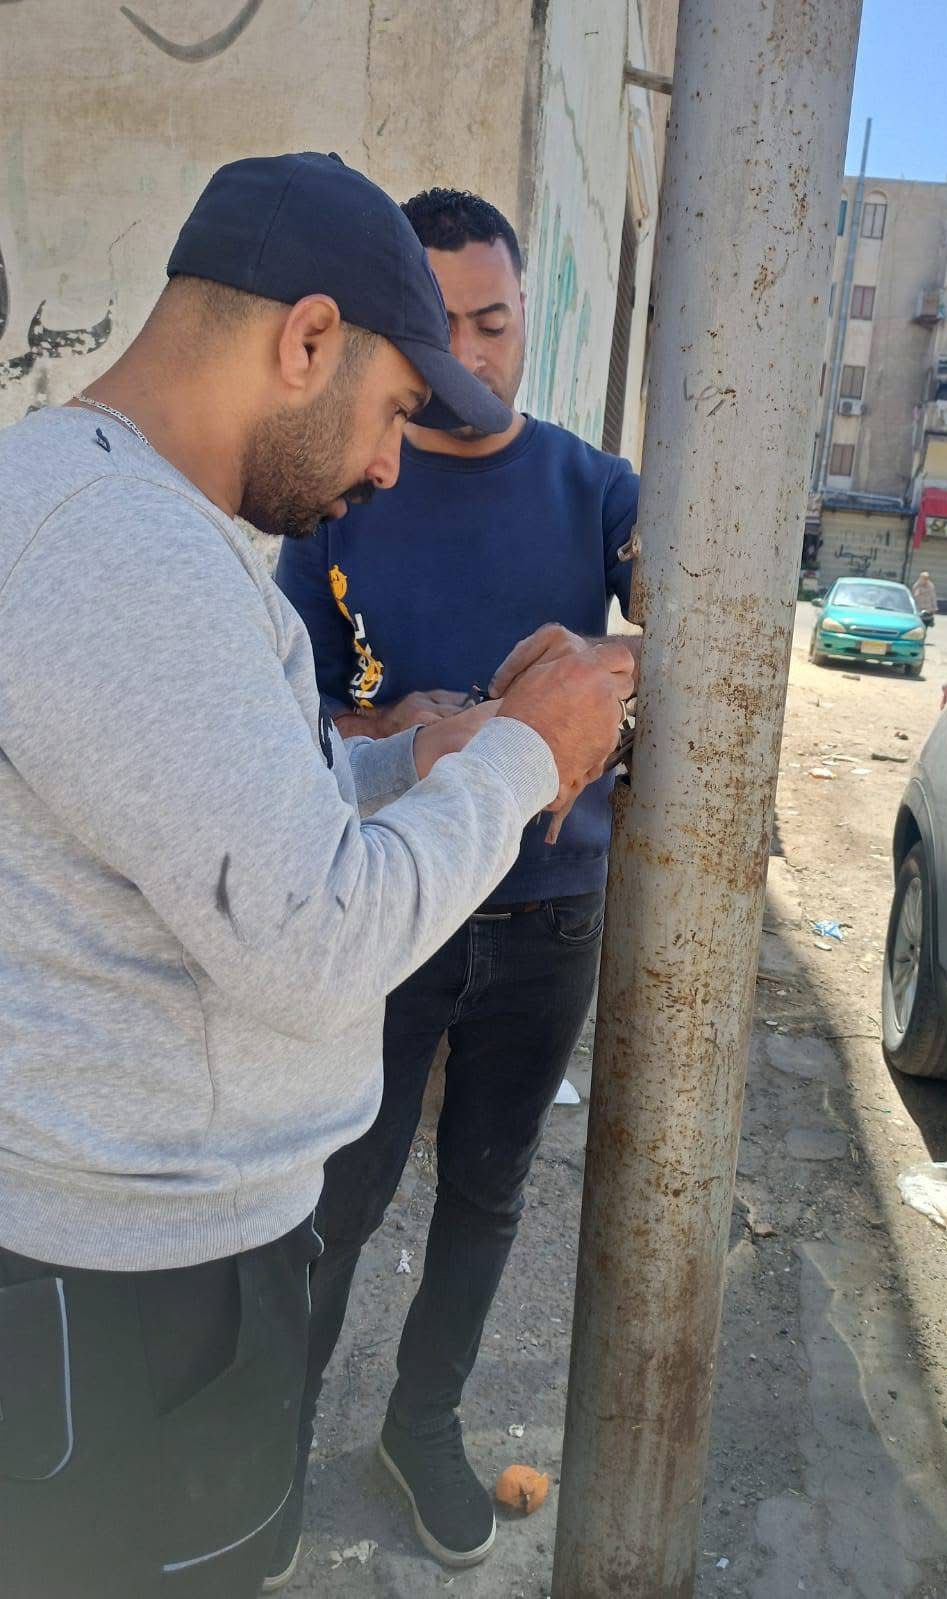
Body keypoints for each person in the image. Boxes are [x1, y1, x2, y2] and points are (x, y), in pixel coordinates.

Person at [0, 152, 632, 1599]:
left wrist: (409, 762)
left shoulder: (105, 507)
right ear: (305, 341)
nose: (393, 466)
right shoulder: (126, 557)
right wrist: (521, 757)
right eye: (397, 409)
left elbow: (205, 821)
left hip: (134, 1255)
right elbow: (314, 940)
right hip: (134, 1295)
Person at [272, 188, 639, 1578]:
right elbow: (295, 710)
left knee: (488, 1195)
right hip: (386, 900)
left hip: (550, 911)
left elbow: (719, 628)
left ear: (525, 316)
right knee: (339, 1200)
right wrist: (402, 724)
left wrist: (608, 667)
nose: (474, 357)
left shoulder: (595, 490)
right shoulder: (342, 485)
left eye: (497, 322)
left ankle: (419, 1429)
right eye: (446, 329)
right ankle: (271, 1444)